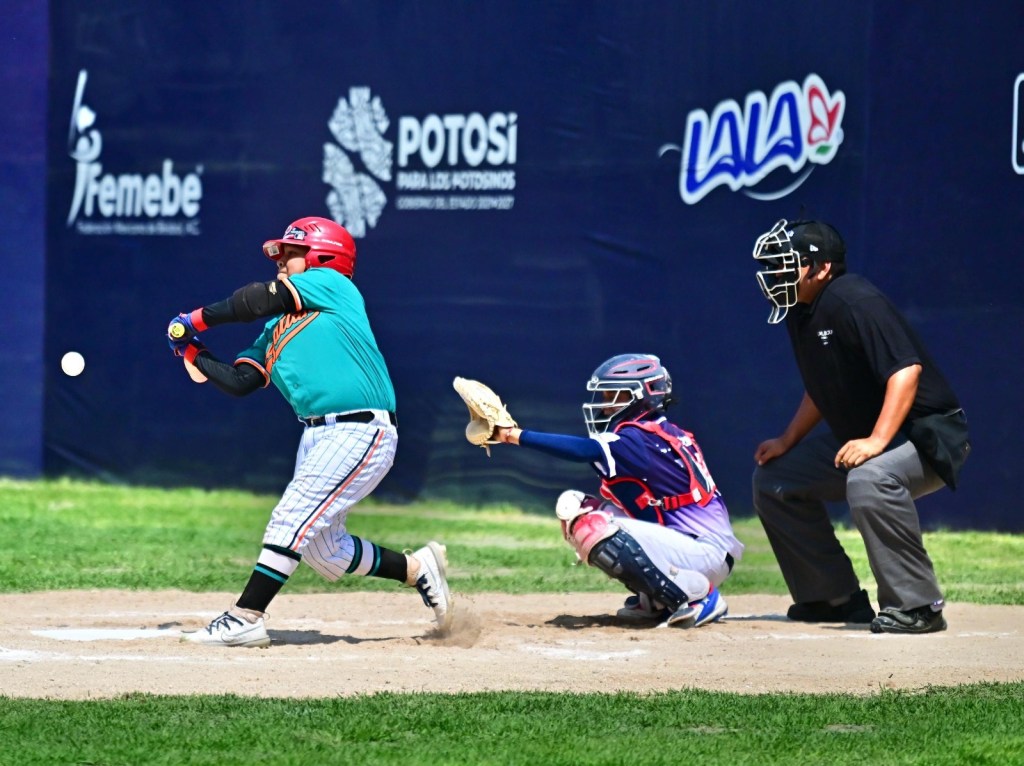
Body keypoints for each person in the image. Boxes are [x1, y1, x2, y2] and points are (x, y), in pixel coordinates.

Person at [166, 216, 452, 647]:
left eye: (290, 253)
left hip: (360, 429)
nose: (280, 261)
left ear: (323, 256)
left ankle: (246, 616)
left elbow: (258, 300)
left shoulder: (333, 286)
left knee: (290, 516)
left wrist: (196, 320)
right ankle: (417, 569)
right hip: (317, 435)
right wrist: (189, 348)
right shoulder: (275, 329)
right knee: (324, 551)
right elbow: (241, 381)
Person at [751, 218, 969, 634]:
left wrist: (877, 440)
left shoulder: (854, 301)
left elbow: (906, 371)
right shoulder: (801, 309)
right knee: (776, 479)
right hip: (881, 437)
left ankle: (918, 606)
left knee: (869, 479)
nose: (775, 274)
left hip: (930, 434)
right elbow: (820, 387)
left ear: (821, 268)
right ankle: (833, 597)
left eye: (786, 263)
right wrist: (787, 439)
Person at [490, 353, 743, 628]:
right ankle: (657, 599)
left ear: (642, 396)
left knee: (593, 525)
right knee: (580, 508)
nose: (607, 404)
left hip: (703, 552)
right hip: (696, 547)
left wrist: (512, 435)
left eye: (616, 395)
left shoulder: (638, 439)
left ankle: (698, 597)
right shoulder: (655, 432)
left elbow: (582, 450)